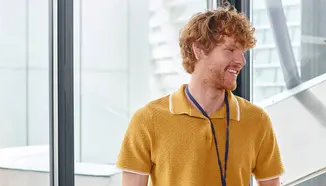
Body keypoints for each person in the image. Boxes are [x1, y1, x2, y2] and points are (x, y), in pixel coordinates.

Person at [116, 4, 284, 186]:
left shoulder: (257, 120)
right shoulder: (148, 119)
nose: (241, 61)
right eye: (230, 50)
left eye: (242, 52)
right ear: (199, 50)